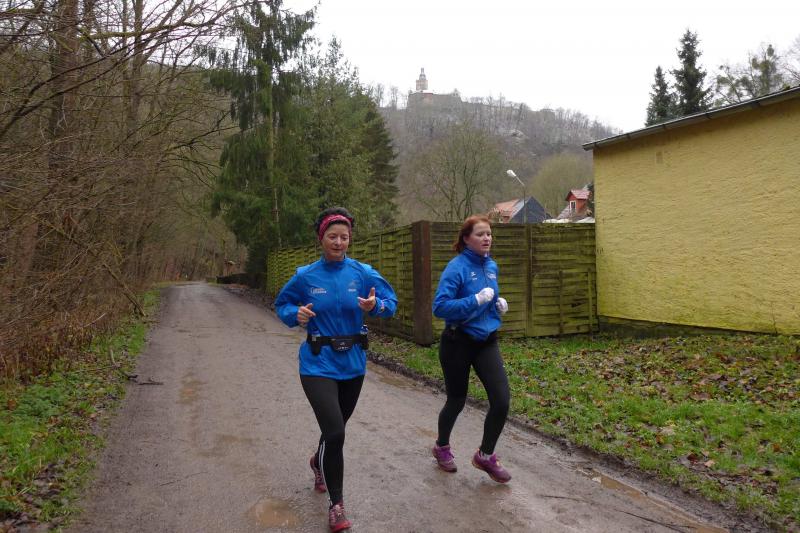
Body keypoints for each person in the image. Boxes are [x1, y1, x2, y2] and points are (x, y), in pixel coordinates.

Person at [274, 207, 397, 532]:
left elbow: (391, 303)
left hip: (353, 363)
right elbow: (282, 305)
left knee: (335, 429)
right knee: (336, 433)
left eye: (344, 237)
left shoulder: (363, 273)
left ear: (349, 239)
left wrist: (376, 306)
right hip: (317, 363)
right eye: (333, 236)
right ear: (322, 239)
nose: (339, 242)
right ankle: (337, 505)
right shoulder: (305, 276)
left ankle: (318, 461)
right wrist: (295, 314)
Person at [430, 215, 512, 483]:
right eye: (480, 234)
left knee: (501, 400)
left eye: (489, 233)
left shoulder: (491, 266)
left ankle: (485, 456)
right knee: (456, 400)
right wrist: (474, 300)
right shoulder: (457, 268)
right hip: (458, 342)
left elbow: (487, 301)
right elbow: (440, 307)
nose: (487, 238)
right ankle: (442, 447)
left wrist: (496, 306)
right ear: (466, 239)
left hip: (486, 341)